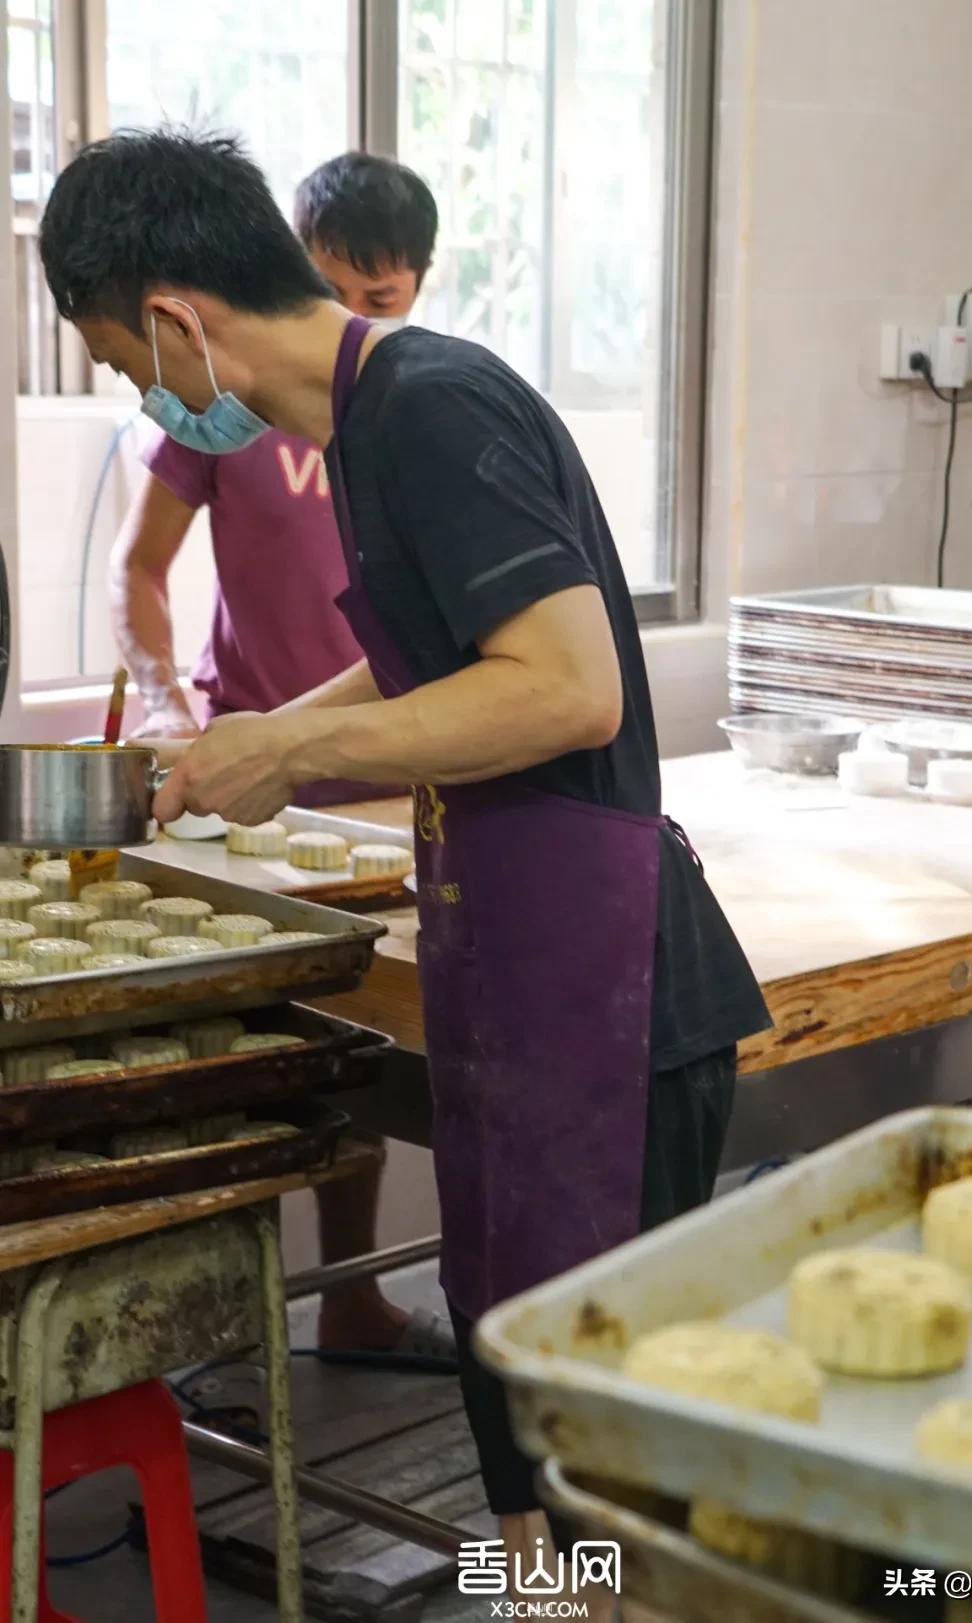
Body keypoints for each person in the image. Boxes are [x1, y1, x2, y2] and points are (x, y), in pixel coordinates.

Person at [40, 128, 772, 1592]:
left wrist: (292, 752)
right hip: (523, 965)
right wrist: (262, 736)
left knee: (600, 1462)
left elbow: (570, 689)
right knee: (523, 1433)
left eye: (127, 364)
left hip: (616, 992)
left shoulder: (432, 406)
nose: (142, 396)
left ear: (178, 318)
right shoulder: (368, 425)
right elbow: (427, 661)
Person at [108, 150, 448, 1361]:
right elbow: (140, 572)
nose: (351, 318)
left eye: (381, 298)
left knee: (382, 1048)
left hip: (393, 777)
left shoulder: (419, 413)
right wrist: (163, 701)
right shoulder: (222, 407)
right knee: (258, 1050)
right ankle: (213, 1324)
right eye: (330, 289)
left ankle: (354, 1301)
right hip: (252, 786)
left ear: (418, 287)